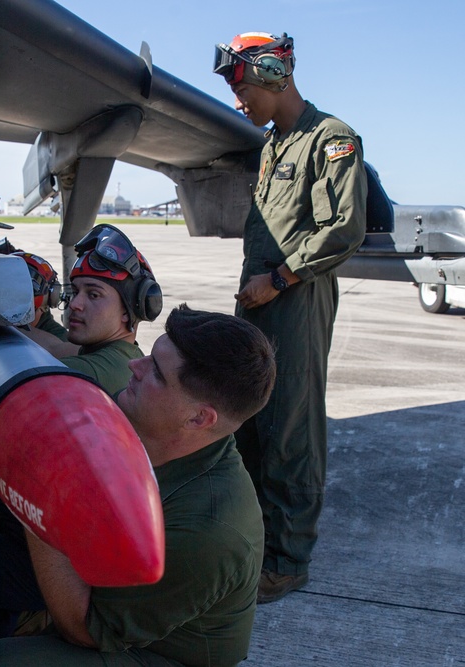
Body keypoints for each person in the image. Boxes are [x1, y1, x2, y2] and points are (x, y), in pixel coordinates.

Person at [0, 304, 275, 666]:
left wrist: (23, 483)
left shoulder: (209, 531)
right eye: (151, 354)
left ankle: (45, 615)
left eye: (156, 372)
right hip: (95, 562)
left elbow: (87, 630)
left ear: (199, 419)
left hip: (155, 649)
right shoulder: (141, 419)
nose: (136, 366)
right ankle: (41, 611)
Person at [213, 32, 367, 602]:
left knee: (291, 427)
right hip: (258, 298)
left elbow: (342, 229)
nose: (239, 102)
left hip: (294, 300)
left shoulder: (332, 139)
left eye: (244, 87)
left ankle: (287, 560)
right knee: (251, 418)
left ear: (276, 75)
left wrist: (278, 280)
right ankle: (256, 543)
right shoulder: (274, 145)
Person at [0, 229, 161, 544]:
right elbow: (53, 343)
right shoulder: (117, 354)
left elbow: (1, 460)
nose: (74, 304)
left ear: (131, 309)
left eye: (93, 295)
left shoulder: (75, 379)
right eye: (74, 292)